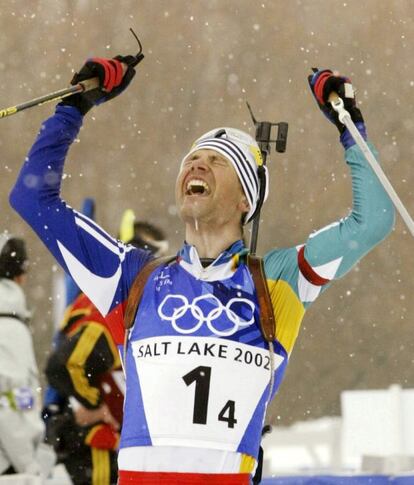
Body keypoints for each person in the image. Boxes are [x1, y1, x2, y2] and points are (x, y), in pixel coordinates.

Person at [10, 56, 395, 484]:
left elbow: (373, 220)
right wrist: (74, 107)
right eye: (193, 159)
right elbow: (33, 201)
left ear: (245, 200)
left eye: (217, 161)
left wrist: (350, 127)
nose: (197, 165)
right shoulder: (131, 278)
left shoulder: (278, 281)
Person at [44, 215, 168, 485]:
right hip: (90, 441)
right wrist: (99, 408)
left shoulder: (97, 296)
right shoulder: (110, 312)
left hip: (83, 434)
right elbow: (63, 365)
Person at [0, 234, 46, 476]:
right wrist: (29, 464)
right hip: (8, 463)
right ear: (20, 275)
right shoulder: (9, 326)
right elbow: (8, 404)